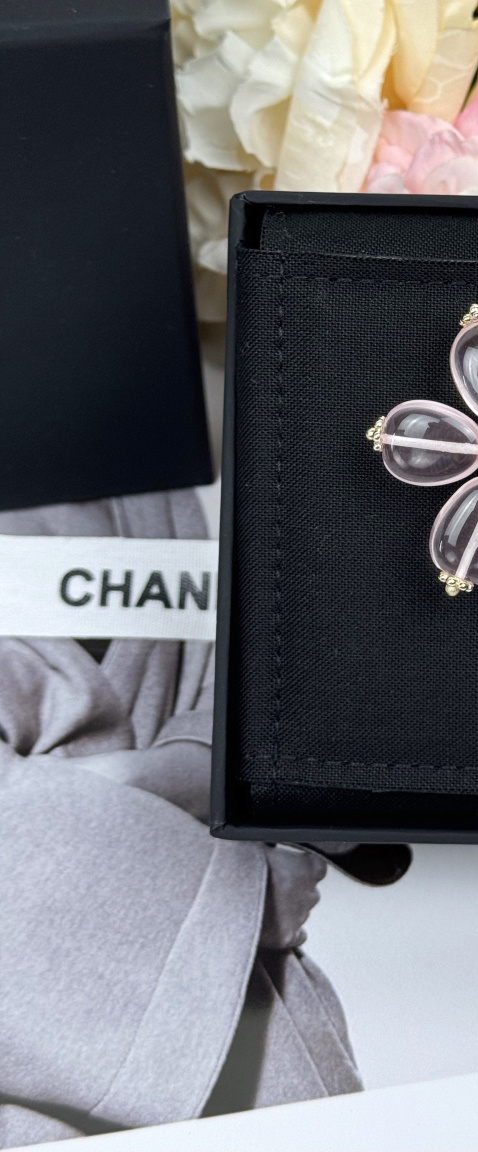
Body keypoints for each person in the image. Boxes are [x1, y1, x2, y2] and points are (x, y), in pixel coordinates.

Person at [0, 489, 360, 1147]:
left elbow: (277, 696)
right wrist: (239, 894)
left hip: (237, 1005)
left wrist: (147, 779)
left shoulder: (170, 491)